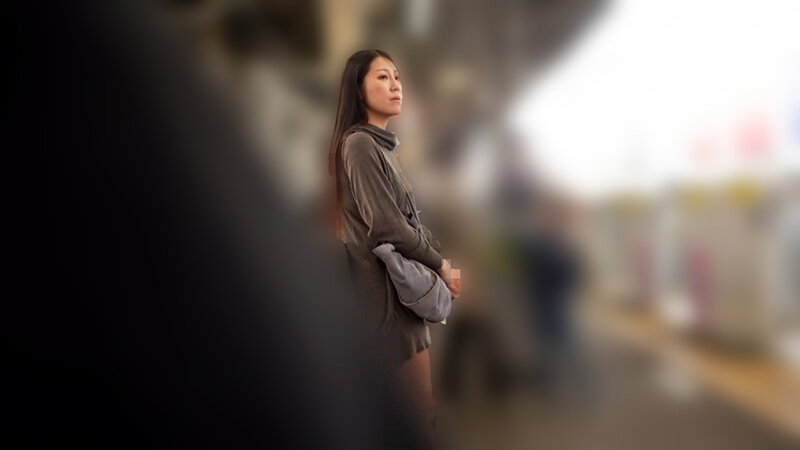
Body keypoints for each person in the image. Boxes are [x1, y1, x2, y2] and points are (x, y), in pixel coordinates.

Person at [328, 49, 460, 447]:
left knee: (420, 411)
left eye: (397, 77)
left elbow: (407, 220)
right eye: (382, 77)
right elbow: (387, 226)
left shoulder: (381, 148)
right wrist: (441, 265)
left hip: (401, 296)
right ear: (359, 89)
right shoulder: (360, 145)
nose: (395, 85)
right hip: (387, 302)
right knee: (418, 414)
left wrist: (439, 262)